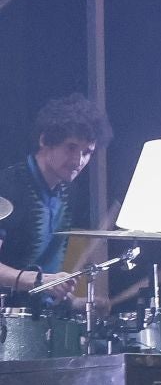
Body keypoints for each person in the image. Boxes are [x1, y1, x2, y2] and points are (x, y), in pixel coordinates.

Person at [0, 94, 109, 300]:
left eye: (87, 152)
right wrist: (39, 280)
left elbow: (47, 274)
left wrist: (77, 303)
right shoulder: (8, 187)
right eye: (71, 147)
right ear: (45, 140)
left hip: (39, 321)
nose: (79, 160)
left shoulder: (68, 193)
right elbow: (40, 280)